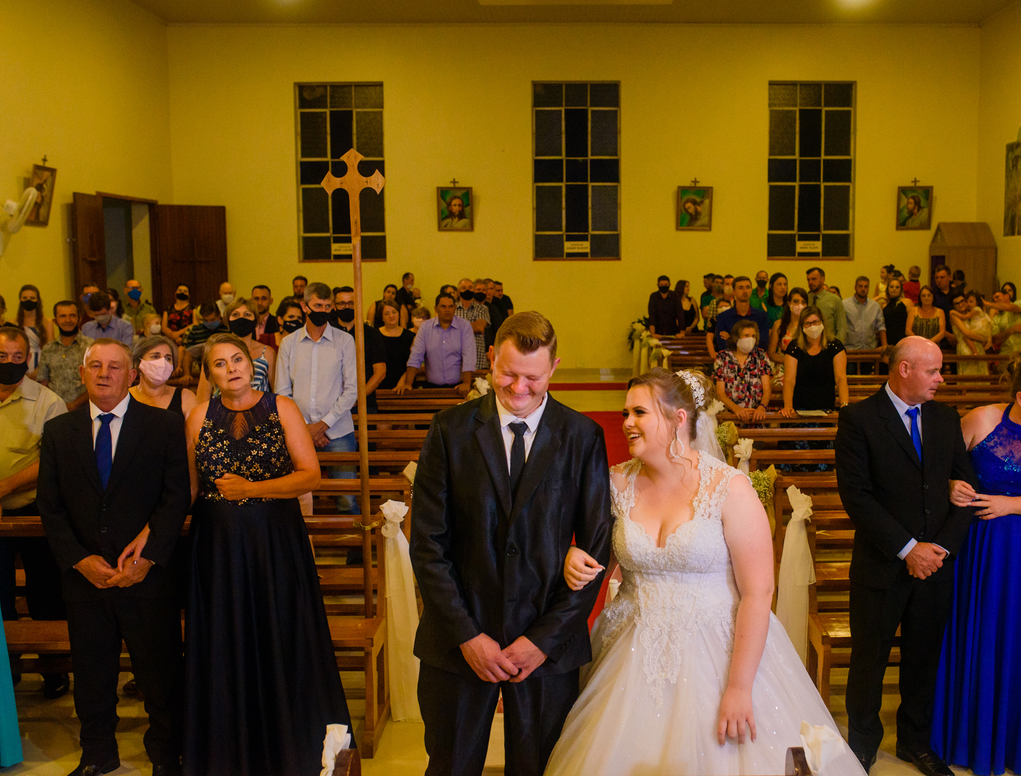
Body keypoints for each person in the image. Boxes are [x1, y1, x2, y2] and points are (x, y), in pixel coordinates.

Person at [549, 368, 865, 776]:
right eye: (625, 413)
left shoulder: (729, 488)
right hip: (630, 647)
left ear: (678, 419)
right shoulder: (616, 483)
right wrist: (573, 557)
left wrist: (739, 687)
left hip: (718, 651)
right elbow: (598, 562)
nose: (626, 422)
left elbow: (758, 592)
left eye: (639, 412)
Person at [411, 312, 612, 776]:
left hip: (547, 646)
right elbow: (427, 544)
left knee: (540, 767)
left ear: (554, 368)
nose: (519, 388)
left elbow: (595, 552)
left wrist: (542, 641)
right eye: (508, 373)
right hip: (458, 641)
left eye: (533, 378)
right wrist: (468, 635)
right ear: (490, 360)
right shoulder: (449, 430)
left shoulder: (582, 436)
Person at [181, 334, 351, 776]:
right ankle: (228, 750)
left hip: (273, 545)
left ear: (251, 363)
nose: (231, 368)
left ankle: (287, 743)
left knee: (280, 634)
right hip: (217, 549)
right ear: (209, 374)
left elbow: (310, 476)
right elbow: (190, 488)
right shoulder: (198, 416)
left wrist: (251, 489)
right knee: (224, 640)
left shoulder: (282, 408)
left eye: (237, 359)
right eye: (220, 364)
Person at [37, 338, 189, 776]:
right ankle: (97, 755)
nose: (104, 374)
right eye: (96, 366)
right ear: (82, 373)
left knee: (159, 674)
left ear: (132, 375)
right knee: (92, 675)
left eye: (114, 366)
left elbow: (176, 497)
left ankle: (166, 757)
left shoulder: (162, 426)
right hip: (86, 579)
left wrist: (149, 558)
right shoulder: (59, 431)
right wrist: (79, 559)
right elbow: (50, 506)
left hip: (147, 578)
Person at [834, 336, 979, 774]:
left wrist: (940, 550)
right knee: (870, 658)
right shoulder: (859, 418)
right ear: (904, 369)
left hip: (935, 565)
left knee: (924, 658)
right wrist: (907, 549)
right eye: (933, 371)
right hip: (882, 563)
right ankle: (862, 743)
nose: (941, 379)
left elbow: (965, 489)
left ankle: (915, 742)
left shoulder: (945, 417)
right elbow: (856, 497)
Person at [932, 356, 1021, 774]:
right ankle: (970, 739)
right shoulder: (981, 419)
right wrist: (951, 485)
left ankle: (1019, 744)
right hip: (981, 551)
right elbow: (937, 470)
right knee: (980, 635)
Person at [0, 326, 70, 711]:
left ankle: (54, 669)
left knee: (45, 591)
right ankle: (7, 673)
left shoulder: (48, 401)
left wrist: (6, 485)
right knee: (1, 596)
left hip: (32, 508)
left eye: (17, 357)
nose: (9, 363)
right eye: (1, 356)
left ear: (29, 359)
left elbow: (52, 460)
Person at [275, 282, 360, 515]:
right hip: (297, 432)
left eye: (327, 306)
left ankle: (352, 540)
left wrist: (322, 425)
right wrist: (305, 427)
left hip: (338, 431)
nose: (323, 311)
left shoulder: (345, 341)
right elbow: (282, 392)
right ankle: (301, 539)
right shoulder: (289, 343)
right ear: (305, 306)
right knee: (296, 500)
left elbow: (352, 389)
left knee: (346, 499)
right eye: (318, 306)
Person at [194, 298, 275, 400]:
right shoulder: (214, 352)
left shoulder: (267, 352)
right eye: (235, 315)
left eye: (247, 314)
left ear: (256, 321)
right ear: (227, 320)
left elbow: (276, 391)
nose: (241, 319)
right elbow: (202, 396)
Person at [399, 294, 475, 395]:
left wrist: (466, 383)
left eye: (450, 306)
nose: (447, 310)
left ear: (455, 308)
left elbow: (468, 356)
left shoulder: (464, 326)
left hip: (458, 388)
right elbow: (415, 356)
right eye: (443, 306)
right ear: (436, 308)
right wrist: (408, 384)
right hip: (431, 387)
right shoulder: (425, 327)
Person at [782, 307, 848, 415]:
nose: (812, 326)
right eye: (807, 323)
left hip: (826, 409)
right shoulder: (794, 347)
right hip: (799, 409)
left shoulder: (835, 346)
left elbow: (840, 378)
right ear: (802, 326)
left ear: (822, 322)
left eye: (816, 322)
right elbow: (789, 380)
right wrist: (788, 406)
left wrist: (844, 405)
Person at [331, 285, 386, 413]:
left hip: (364, 403)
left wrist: (356, 397)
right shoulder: (328, 333)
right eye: (342, 304)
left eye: (351, 303)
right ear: (334, 306)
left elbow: (380, 372)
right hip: (332, 404)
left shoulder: (371, 334)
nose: (347, 307)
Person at [713, 320, 773, 423]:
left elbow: (767, 389)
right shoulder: (722, 357)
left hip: (756, 415)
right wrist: (736, 409)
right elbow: (720, 393)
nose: (751, 339)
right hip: (731, 416)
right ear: (736, 337)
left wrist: (762, 407)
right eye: (746, 335)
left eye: (753, 336)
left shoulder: (761, 356)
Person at [38, 300, 93, 410]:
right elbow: (43, 383)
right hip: (54, 410)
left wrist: (74, 405)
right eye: (63, 316)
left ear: (79, 318)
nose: (68, 320)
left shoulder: (91, 347)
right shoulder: (48, 349)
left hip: (85, 410)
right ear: (55, 321)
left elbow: (96, 382)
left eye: (72, 315)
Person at [130, 336, 197, 419]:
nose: (163, 363)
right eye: (155, 356)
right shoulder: (124, 397)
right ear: (138, 361)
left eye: (168, 358)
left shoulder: (185, 397)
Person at [709, 277, 770, 360]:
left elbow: (763, 344)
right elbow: (723, 345)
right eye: (741, 288)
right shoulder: (723, 317)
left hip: (755, 361)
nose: (745, 291)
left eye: (748, 287)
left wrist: (731, 338)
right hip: (730, 361)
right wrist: (749, 341)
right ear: (733, 291)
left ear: (751, 290)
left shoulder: (762, 316)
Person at [844, 276, 888, 375]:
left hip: (869, 351)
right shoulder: (845, 305)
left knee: (867, 379)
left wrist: (884, 346)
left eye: (866, 286)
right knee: (850, 378)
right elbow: (840, 327)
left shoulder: (875, 306)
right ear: (855, 287)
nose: (863, 289)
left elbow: (881, 326)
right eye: (860, 286)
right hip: (850, 351)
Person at [984, 282, 1021, 356]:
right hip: (1006, 355)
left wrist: (988, 304)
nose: (995, 300)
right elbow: (995, 340)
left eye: (997, 297)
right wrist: (1011, 330)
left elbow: (1011, 307)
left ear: (1007, 296)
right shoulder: (997, 318)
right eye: (994, 298)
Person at [377, 300, 416, 393]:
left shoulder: (410, 336)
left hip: (404, 387)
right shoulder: (374, 336)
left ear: (399, 314)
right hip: (379, 386)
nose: (391, 316)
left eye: (394, 312)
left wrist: (404, 381)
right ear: (381, 317)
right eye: (387, 313)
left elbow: (414, 362)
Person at [949, 292, 993, 375]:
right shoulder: (954, 316)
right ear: (953, 306)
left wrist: (985, 338)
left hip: (979, 347)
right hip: (965, 348)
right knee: (969, 375)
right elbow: (966, 333)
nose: (960, 305)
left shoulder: (972, 313)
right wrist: (982, 338)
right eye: (957, 303)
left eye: (962, 301)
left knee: (982, 375)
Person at [16, 284, 53, 374]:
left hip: (42, 367)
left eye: (32, 298)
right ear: (20, 299)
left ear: (38, 300)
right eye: (25, 298)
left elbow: (50, 351)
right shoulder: (14, 323)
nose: (28, 300)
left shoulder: (47, 323)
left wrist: (38, 372)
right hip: (19, 367)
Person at [455, 277, 491, 371]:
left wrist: (457, 327)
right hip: (457, 361)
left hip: (478, 360)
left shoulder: (482, 308)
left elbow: (479, 327)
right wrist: (472, 326)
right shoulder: (453, 309)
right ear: (458, 292)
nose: (467, 290)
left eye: (470, 288)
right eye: (464, 288)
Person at [768, 287, 808, 366]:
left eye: (803, 302)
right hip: (783, 365)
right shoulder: (778, 324)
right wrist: (790, 361)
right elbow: (771, 353)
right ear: (789, 303)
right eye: (796, 301)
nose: (799, 305)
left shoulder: (809, 325)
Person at [807, 267, 847, 342]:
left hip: (829, 343)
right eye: (808, 280)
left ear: (823, 279)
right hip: (808, 343)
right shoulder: (806, 299)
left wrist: (836, 345)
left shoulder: (834, 300)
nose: (810, 282)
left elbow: (842, 328)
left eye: (814, 279)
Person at [881, 277, 913, 354]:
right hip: (889, 340)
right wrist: (880, 296)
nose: (894, 289)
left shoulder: (907, 302)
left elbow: (911, 324)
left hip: (903, 339)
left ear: (901, 289)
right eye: (891, 287)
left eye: (897, 287)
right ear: (888, 289)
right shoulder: (884, 305)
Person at [648, 274, 683, 339]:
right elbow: (652, 316)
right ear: (657, 285)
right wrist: (653, 334)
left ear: (670, 284)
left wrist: (682, 333)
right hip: (658, 332)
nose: (664, 286)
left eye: (666, 285)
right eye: (661, 285)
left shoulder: (675, 296)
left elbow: (680, 314)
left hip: (673, 332)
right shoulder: (654, 297)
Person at [249, 284, 279, 350]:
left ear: (271, 301)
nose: (260, 302)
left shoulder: (278, 323)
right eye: (256, 299)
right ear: (251, 301)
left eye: (264, 299)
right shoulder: (246, 324)